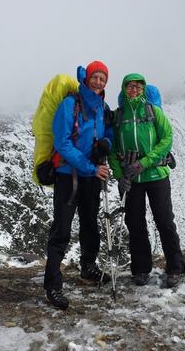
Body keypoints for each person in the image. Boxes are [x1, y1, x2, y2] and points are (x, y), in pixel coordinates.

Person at [44, 60, 113, 310]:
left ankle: (88, 268)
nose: (98, 82)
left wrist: (107, 141)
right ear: (87, 79)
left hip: (91, 176)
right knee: (61, 229)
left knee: (89, 224)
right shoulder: (70, 104)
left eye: (102, 78)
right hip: (68, 175)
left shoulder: (102, 107)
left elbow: (108, 133)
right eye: (95, 77)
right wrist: (90, 167)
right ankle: (52, 284)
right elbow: (62, 143)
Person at [108, 73, 185, 288]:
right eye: (130, 87)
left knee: (164, 221)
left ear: (143, 89)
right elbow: (113, 150)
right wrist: (119, 175)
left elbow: (166, 140)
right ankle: (141, 269)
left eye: (138, 87)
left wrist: (144, 162)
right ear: (124, 89)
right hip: (132, 179)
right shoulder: (118, 116)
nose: (134, 90)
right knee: (135, 224)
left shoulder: (153, 111)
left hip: (155, 176)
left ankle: (175, 268)